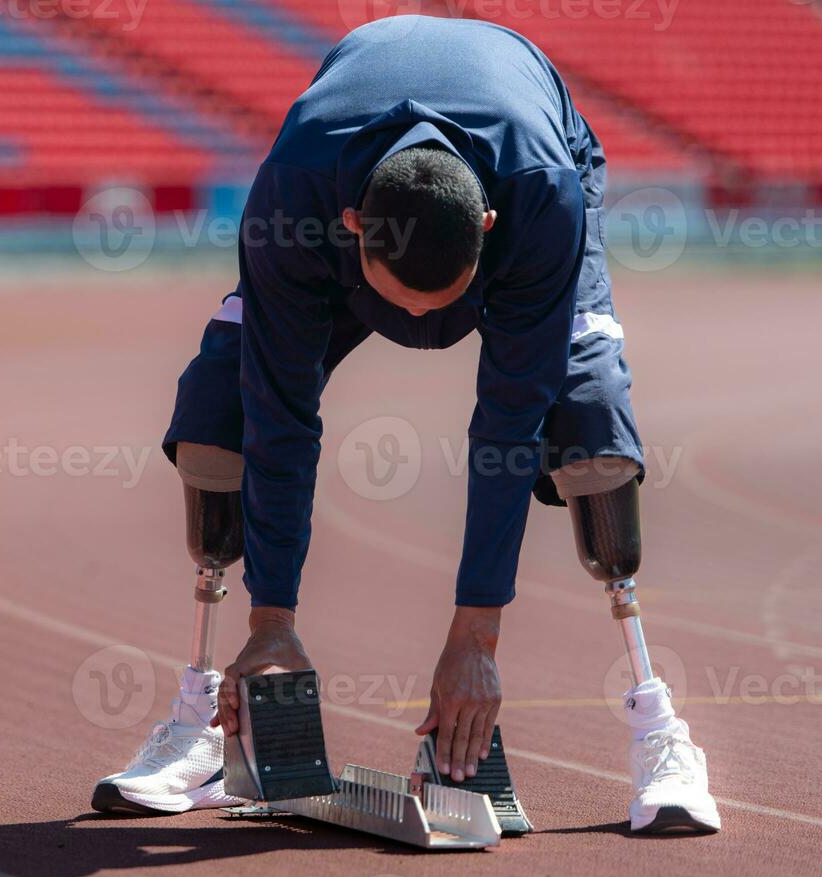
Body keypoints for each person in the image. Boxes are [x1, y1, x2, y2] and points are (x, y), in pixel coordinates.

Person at [92, 15, 720, 834]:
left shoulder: (538, 198)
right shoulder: (293, 202)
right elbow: (282, 418)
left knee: (591, 432)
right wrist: (271, 622)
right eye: (404, 305)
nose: (426, 325)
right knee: (221, 420)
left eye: (447, 301)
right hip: (335, 203)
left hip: (536, 156)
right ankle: (203, 723)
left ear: (486, 232)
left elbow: (508, 422)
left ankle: (661, 733)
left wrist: (477, 636)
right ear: (352, 230)